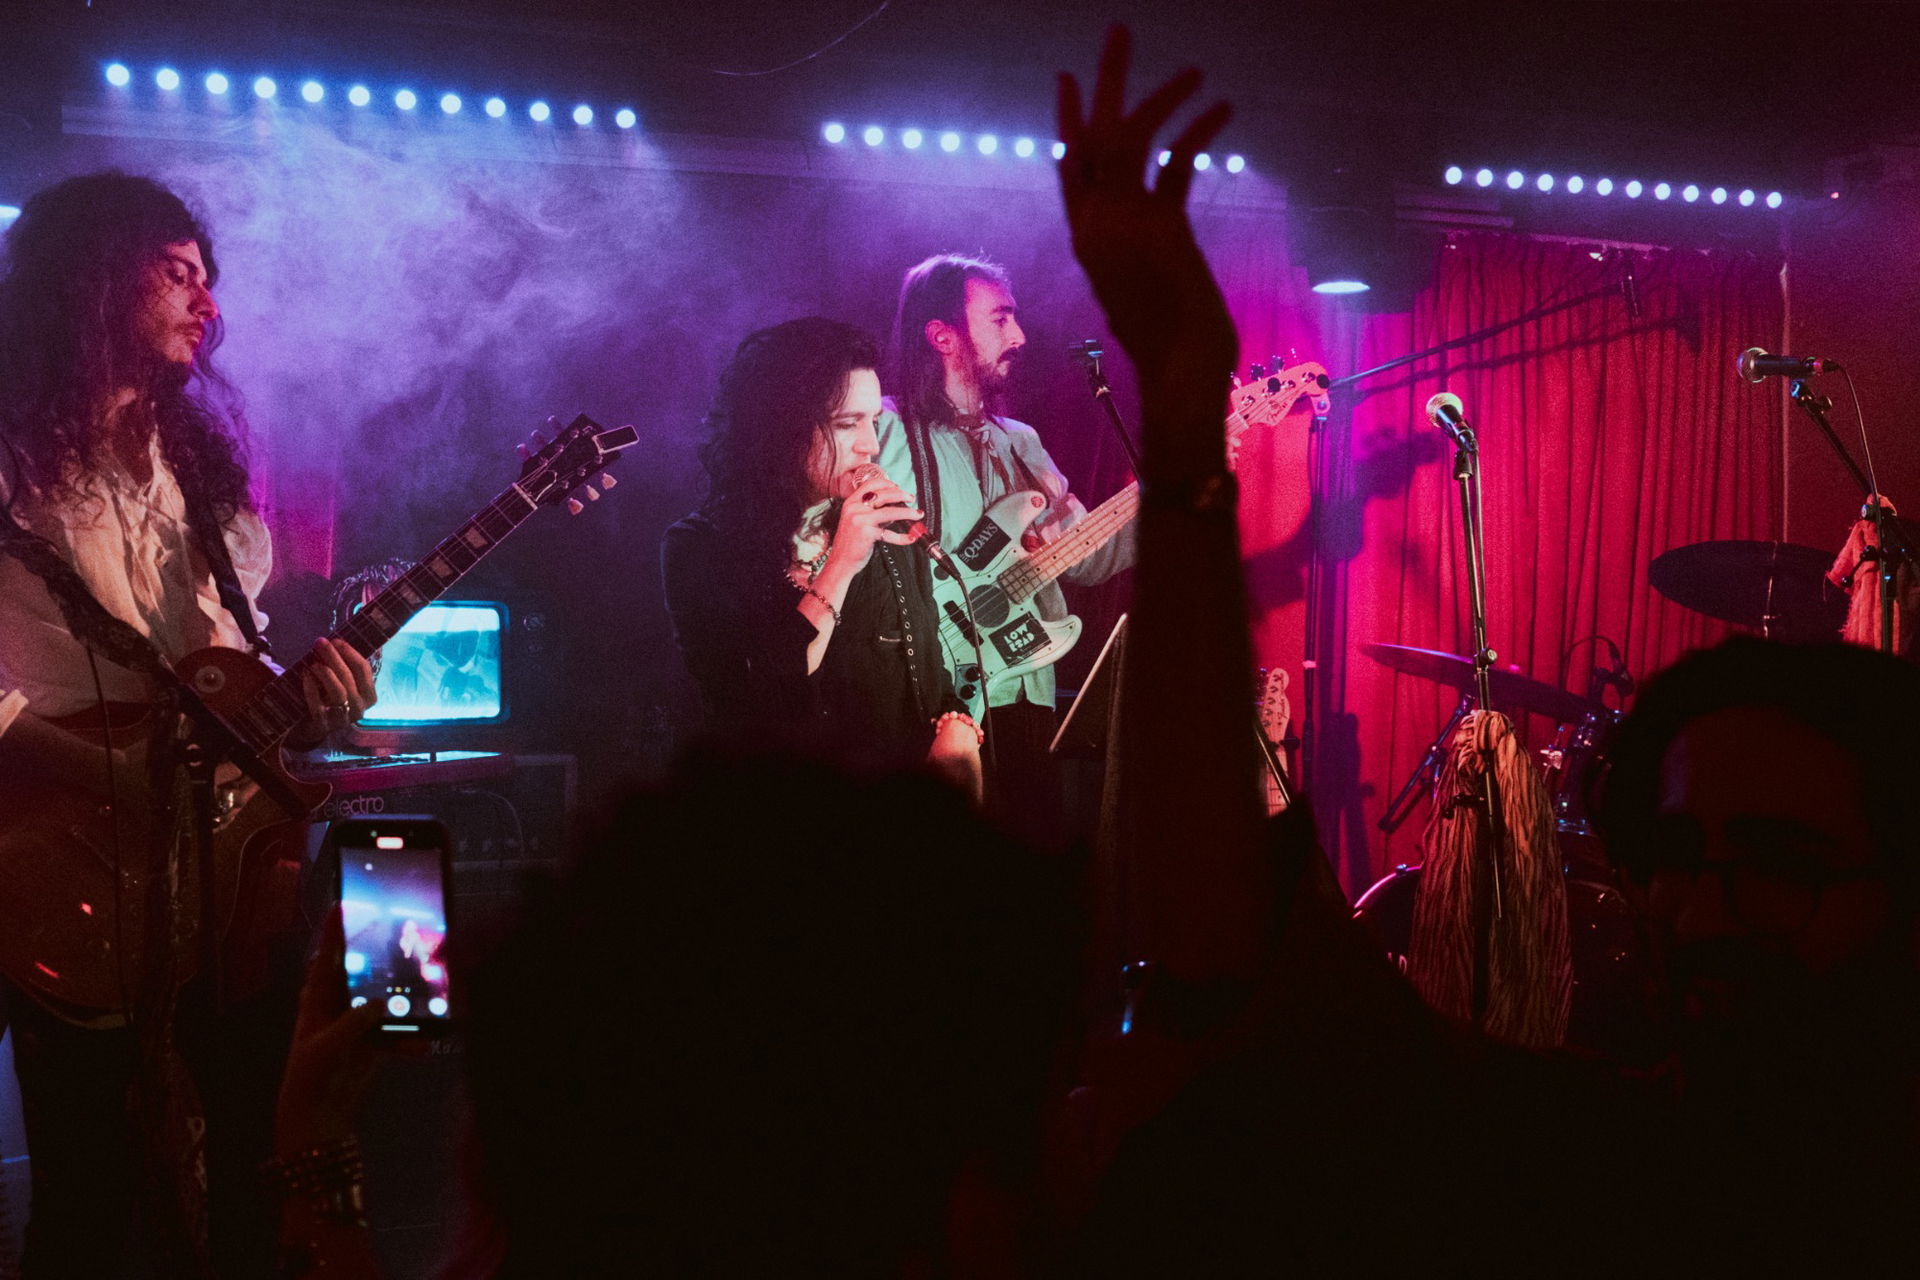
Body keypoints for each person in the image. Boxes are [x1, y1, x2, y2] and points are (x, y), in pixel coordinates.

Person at [0, 170, 375, 1277]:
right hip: (49, 849)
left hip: (212, 873)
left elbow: (221, 656)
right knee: (87, 1191)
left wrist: (310, 689)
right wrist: (97, 771)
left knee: (254, 1157)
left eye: (209, 279)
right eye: (177, 274)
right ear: (91, 276)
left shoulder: (199, 465)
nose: (208, 305)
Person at [661, 317, 982, 795]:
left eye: (874, 422)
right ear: (783, 430)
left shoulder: (891, 536)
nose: (870, 445)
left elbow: (928, 689)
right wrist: (842, 563)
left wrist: (958, 727)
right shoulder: (700, 547)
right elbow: (751, 705)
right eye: (847, 424)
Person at [876, 254, 1134, 843]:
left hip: (1026, 687)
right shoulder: (886, 430)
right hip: (930, 697)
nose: (1018, 336)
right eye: (1000, 319)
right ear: (942, 336)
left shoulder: (1021, 443)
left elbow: (1087, 553)